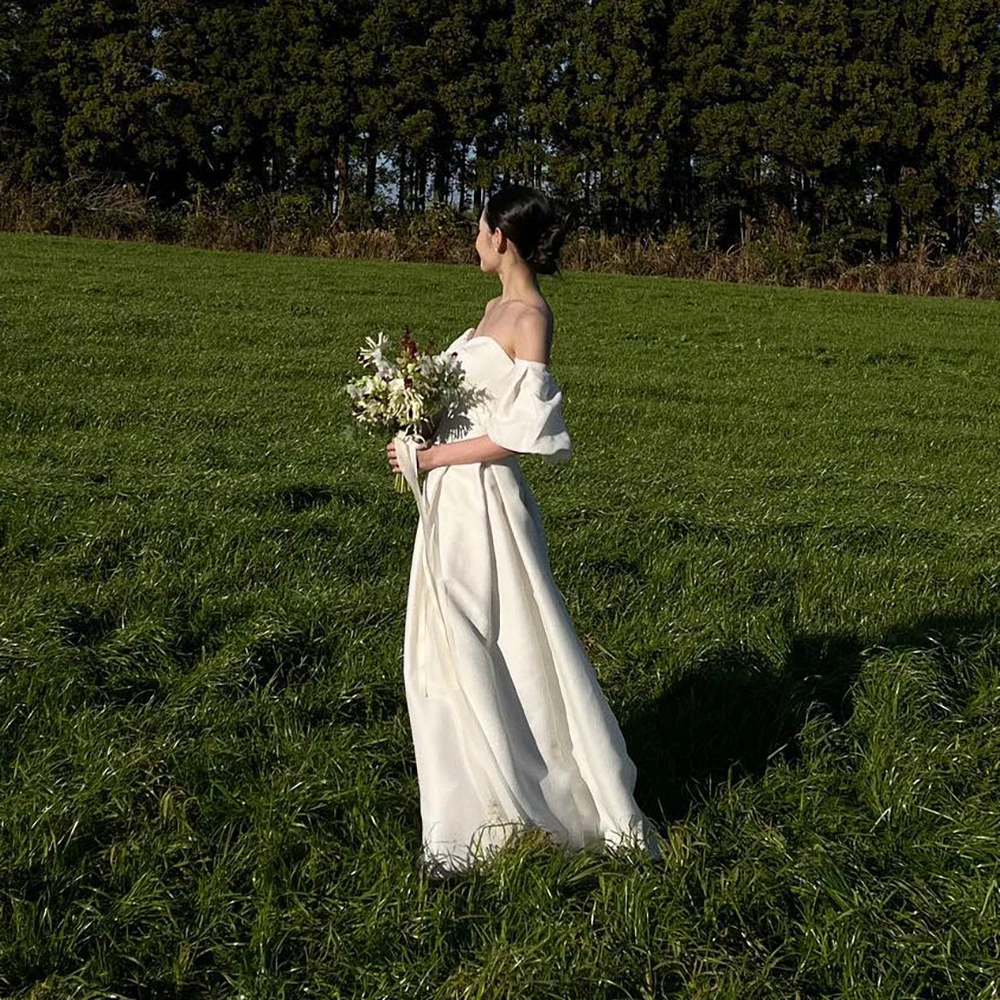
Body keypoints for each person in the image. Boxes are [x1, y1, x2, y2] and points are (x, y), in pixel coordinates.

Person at [387, 183, 662, 880]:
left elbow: (519, 434)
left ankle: (513, 815)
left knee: (489, 648)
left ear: (501, 236)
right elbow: (474, 405)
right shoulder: (490, 309)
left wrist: (432, 455)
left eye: (479, 228)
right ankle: (464, 812)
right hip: (449, 504)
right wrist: (414, 422)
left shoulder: (531, 317)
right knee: (441, 655)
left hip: (484, 508)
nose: (473, 239)